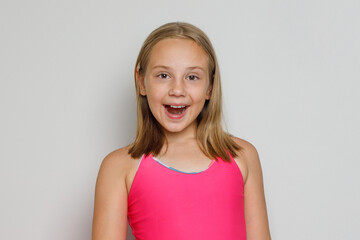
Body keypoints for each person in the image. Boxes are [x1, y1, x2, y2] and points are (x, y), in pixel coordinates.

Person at [92, 22, 271, 240]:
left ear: (210, 87)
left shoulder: (243, 156)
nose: (177, 90)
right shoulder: (119, 167)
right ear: (142, 82)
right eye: (163, 75)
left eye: (192, 77)